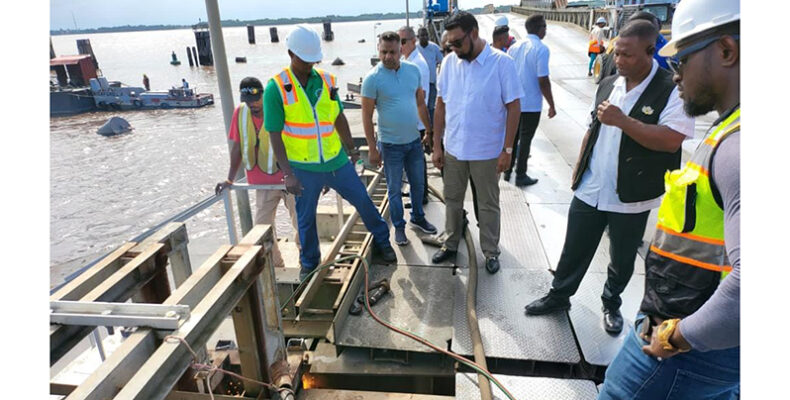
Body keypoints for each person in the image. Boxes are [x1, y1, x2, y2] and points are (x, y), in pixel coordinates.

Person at [598, 0, 740, 397]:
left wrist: (678, 337)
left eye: (681, 61)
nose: (674, 76)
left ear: (727, 51)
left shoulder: (740, 146)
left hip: (691, 345)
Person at [524, 20, 695, 335]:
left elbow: (671, 139)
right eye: (616, 53)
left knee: (622, 257)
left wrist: (624, 121)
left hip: (631, 194)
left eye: (627, 55)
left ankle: (611, 303)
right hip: (591, 186)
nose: (618, 60)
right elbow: (594, 127)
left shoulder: (670, 90)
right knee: (574, 247)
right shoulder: (609, 83)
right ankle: (559, 295)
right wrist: (579, 168)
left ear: (649, 51)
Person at [264, 25, 396, 281]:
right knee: (305, 219)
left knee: (363, 201)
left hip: (336, 161)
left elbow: (338, 117)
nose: (311, 63)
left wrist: (351, 150)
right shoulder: (276, 88)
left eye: (314, 58)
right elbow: (274, 134)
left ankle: (382, 241)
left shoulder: (326, 81)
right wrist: (288, 174)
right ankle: (310, 265)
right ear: (291, 54)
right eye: (305, 59)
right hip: (303, 168)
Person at [430, 12, 522, 274]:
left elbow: (514, 107)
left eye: (458, 42)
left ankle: (491, 251)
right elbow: (440, 105)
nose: (454, 48)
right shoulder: (449, 63)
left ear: (473, 33)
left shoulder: (501, 63)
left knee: (488, 203)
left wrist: (507, 149)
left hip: (487, 151)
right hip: (455, 149)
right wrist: (437, 145)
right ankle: (450, 243)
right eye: (450, 44)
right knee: (452, 199)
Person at [361, 31, 437, 247]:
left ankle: (418, 217)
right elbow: (366, 116)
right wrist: (372, 148)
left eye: (392, 52)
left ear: (400, 50)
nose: (388, 57)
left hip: (413, 141)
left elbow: (421, 103)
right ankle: (399, 227)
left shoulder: (413, 71)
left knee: (418, 184)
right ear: (378, 49)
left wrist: (429, 132)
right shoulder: (372, 79)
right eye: (383, 52)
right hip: (390, 145)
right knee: (394, 189)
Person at [214, 77, 299, 269]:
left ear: (263, 95)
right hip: (264, 183)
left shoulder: (279, 109)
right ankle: (276, 268)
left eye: (255, 99)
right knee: (261, 227)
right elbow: (237, 147)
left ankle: (308, 265)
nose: (252, 104)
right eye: (247, 100)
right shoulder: (240, 114)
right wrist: (230, 178)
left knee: (301, 225)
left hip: (290, 180)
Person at [504, 14, 557, 186]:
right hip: (531, 103)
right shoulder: (541, 49)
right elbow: (543, 80)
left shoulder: (514, 47)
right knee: (526, 140)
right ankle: (521, 174)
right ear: (539, 28)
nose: (546, 30)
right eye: (545, 27)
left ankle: (507, 170)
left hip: (514, 102)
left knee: (512, 137)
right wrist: (551, 104)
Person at [398, 26, 433, 205]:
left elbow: (420, 97)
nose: (400, 45)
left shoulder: (416, 64)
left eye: (403, 41)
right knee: (414, 162)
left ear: (413, 41)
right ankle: (417, 191)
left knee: (416, 163)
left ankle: (421, 196)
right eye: (399, 41)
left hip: (415, 122)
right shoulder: (409, 60)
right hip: (412, 120)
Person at [416, 27, 444, 123]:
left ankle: (432, 128)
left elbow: (442, 62)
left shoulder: (434, 47)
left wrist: (440, 76)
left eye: (426, 35)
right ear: (418, 37)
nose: (424, 37)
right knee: (420, 106)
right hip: (419, 85)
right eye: (422, 35)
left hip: (431, 84)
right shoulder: (415, 49)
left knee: (431, 107)